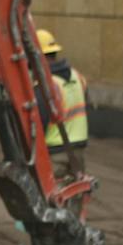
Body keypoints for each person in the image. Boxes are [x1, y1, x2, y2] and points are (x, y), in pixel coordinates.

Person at [38, 28, 90, 189]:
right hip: (79, 147)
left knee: (52, 195)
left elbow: (40, 118)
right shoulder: (77, 76)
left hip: (56, 150)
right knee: (75, 192)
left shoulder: (46, 84)